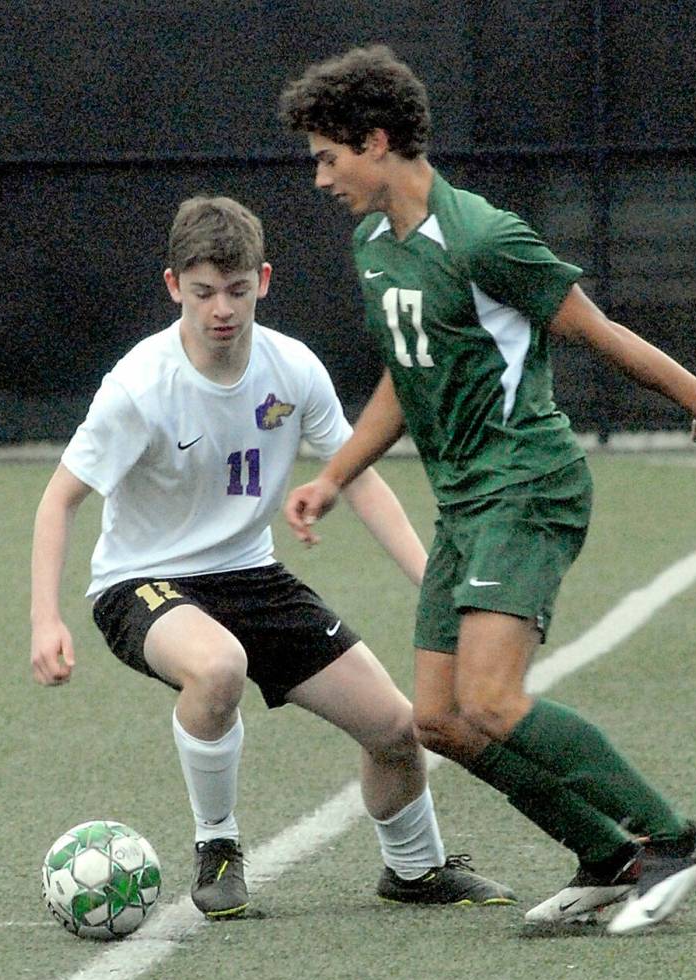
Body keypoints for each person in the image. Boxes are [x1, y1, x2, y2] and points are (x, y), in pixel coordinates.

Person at [279, 45, 696, 935]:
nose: (321, 177)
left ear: (376, 141)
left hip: (527, 483)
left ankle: (677, 839)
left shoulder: (484, 237)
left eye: (328, 157)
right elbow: (405, 375)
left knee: (491, 699)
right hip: (465, 502)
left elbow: (591, 329)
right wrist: (335, 475)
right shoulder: (374, 246)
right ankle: (608, 855)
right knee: (441, 721)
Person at [30, 195, 515, 920]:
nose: (220, 308)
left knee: (396, 727)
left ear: (262, 278)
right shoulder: (139, 386)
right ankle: (217, 846)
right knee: (218, 666)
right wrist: (45, 618)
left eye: (235, 289)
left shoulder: (293, 369)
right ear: (173, 287)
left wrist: (432, 580)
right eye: (202, 292)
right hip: (142, 583)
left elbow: (358, 477)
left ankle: (414, 871)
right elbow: (58, 500)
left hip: (252, 576)